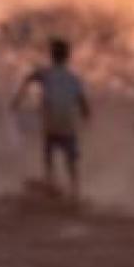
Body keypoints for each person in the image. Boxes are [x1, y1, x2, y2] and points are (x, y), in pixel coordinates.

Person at [13, 38, 90, 201]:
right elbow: (82, 102)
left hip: (52, 122)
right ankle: (74, 191)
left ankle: (53, 185)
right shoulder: (72, 78)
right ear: (67, 56)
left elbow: (28, 79)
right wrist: (86, 116)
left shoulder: (46, 73)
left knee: (50, 155)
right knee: (69, 159)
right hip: (66, 123)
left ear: (52, 55)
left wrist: (18, 99)